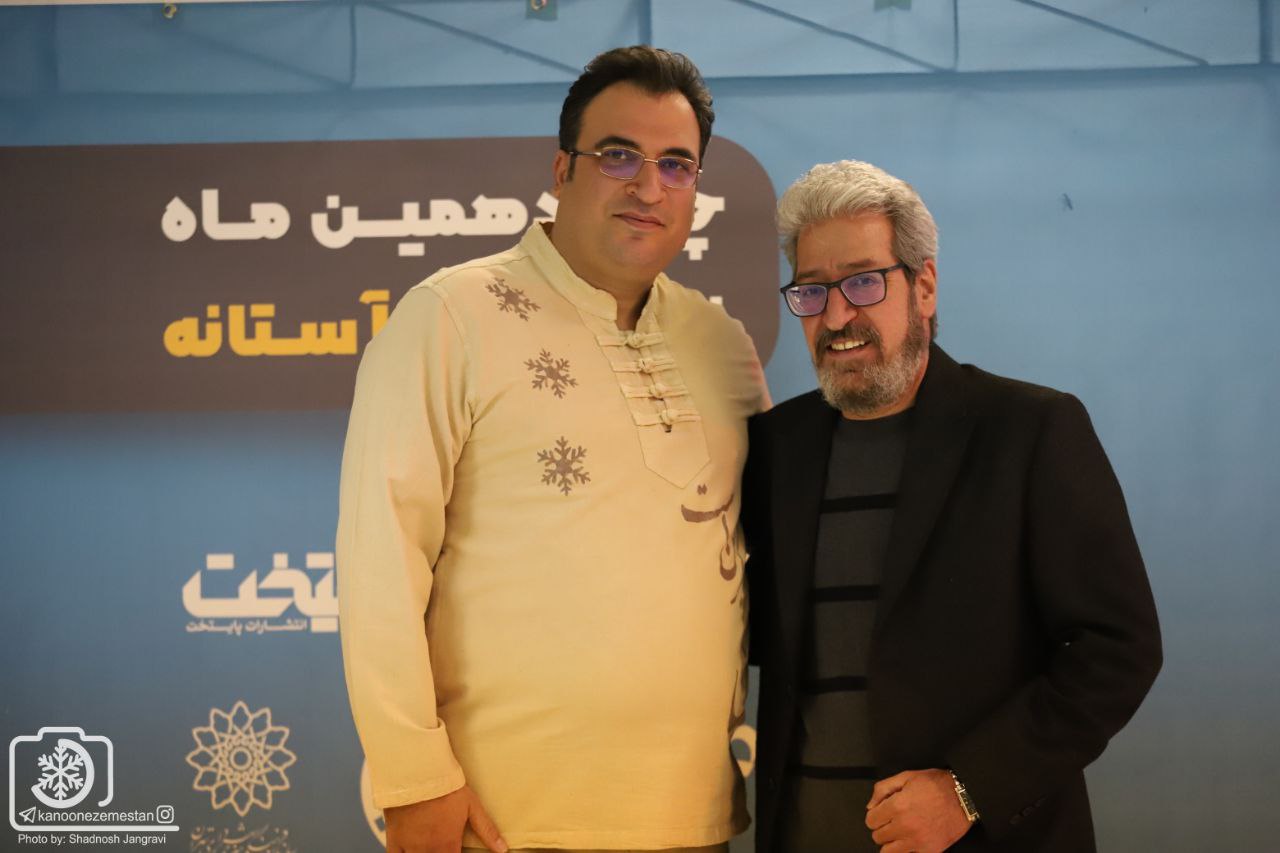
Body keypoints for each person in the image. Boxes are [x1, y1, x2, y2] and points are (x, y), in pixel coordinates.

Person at [337, 46, 769, 853]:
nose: (649, 188)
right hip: (502, 821)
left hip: (696, 818)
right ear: (562, 169)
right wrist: (413, 778)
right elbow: (379, 560)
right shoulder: (450, 317)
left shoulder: (720, 343)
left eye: (676, 165)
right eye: (619, 156)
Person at [742, 160, 1161, 852]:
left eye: (863, 281)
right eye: (812, 291)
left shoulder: (1030, 430)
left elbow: (1119, 649)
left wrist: (970, 789)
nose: (837, 316)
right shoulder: (776, 446)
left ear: (925, 285)